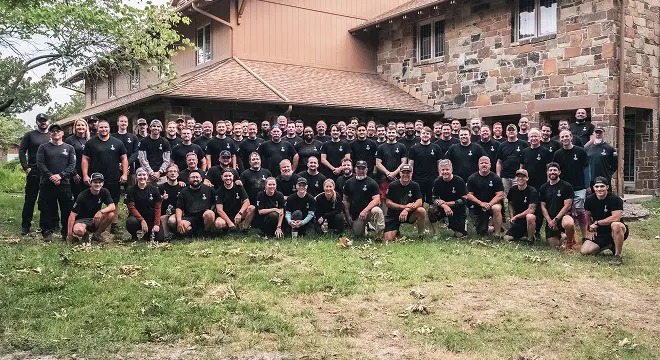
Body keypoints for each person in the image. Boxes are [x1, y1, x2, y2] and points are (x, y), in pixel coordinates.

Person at [82, 120, 128, 234]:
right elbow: (85, 159)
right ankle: (93, 224)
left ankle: (114, 225)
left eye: (106, 127)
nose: (103, 129)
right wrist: (85, 175)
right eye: (101, 127)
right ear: (97, 129)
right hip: (96, 178)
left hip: (113, 177)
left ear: (109, 129)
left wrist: (125, 174)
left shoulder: (117, 143)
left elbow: (124, 158)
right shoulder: (91, 143)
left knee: (114, 201)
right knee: (94, 200)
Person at [36, 123, 76, 240]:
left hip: (64, 184)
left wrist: (60, 176)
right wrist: (51, 176)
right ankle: (47, 231)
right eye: (53, 131)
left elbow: (72, 165)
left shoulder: (69, 148)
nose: (55, 133)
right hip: (46, 183)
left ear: (62, 133)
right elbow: (40, 164)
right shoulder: (43, 147)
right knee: (46, 208)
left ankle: (65, 232)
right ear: (49, 134)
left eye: (58, 131)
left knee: (66, 209)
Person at [553, 130, 590, 241]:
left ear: (571, 137)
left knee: (579, 212)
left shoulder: (581, 151)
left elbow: (587, 169)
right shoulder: (557, 154)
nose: (564, 138)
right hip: (563, 188)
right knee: (566, 212)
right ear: (560, 139)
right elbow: (555, 171)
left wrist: (587, 185)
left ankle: (584, 236)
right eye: (562, 137)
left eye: (566, 136)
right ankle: (570, 236)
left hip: (579, 186)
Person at [581, 177, 628, 263]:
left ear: (607, 187)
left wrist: (597, 223)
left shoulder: (615, 199)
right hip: (600, 231)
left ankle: (617, 256)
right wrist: (589, 230)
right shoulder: (589, 199)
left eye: (602, 186)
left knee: (616, 225)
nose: (599, 189)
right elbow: (587, 215)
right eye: (597, 186)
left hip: (615, 230)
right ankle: (608, 245)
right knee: (584, 251)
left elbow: (616, 218)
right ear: (593, 188)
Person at [19, 113, 51, 235]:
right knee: (30, 200)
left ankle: (46, 227)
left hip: (48, 173)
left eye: (45, 120)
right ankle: (25, 226)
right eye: (40, 120)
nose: (43, 122)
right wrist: (26, 168)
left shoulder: (51, 135)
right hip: (34, 172)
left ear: (49, 121)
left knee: (46, 201)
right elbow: (22, 151)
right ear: (37, 122)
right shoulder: (30, 135)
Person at [66, 173, 115, 243]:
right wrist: (69, 234)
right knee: (79, 231)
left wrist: (101, 211)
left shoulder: (104, 191)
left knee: (111, 214)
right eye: (95, 182)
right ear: (90, 183)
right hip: (82, 220)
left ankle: (96, 236)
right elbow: (72, 215)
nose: (97, 184)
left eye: (100, 182)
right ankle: (85, 234)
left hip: (95, 219)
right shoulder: (82, 195)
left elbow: (112, 206)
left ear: (103, 183)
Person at [539, 162, 577, 251]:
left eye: (555, 170)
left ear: (559, 172)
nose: (553, 172)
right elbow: (542, 206)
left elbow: (567, 206)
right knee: (554, 247)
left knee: (569, 224)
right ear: (547, 172)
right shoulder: (543, 187)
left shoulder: (566, 186)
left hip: (563, 217)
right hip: (551, 220)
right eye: (550, 170)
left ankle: (569, 243)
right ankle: (564, 236)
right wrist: (549, 221)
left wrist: (556, 219)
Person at [383, 164, 426, 241]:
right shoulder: (392, 185)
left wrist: (406, 210)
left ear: (411, 174)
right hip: (393, 214)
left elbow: (419, 202)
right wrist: (404, 207)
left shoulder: (415, 185)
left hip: (409, 214)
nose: (406, 175)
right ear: (400, 173)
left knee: (421, 210)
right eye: (403, 172)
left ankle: (421, 235)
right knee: (388, 239)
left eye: (408, 173)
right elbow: (388, 203)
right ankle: (396, 231)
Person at [343, 160, 384, 237]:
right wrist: (348, 215)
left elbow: (376, 199)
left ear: (366, 170)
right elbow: (345, 200)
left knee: (378, 211)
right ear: (355, 169)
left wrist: (365, 211)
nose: (361, 171)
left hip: (369, 211)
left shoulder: (372, 183)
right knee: (358, 235)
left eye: (363, 169)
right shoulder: (348, 183)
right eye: (359, 168)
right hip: (357, 215)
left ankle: (379, 236)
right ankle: (366, 227)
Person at [465, 156, 504, 237]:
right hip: (477, 206)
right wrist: (481, 203)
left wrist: (490, 204)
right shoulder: (472, 178)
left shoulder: (496, 178)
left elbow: (500, 195)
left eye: (486, 163)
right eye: (481, 163)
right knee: (481, 232)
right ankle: (493, 227)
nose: (484, 165)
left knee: (497, 208)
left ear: (490, 165)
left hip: (491, 205)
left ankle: (497, 234)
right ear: (478, 165)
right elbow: (469, 195)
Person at [428, 160, 468, 237]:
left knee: (460, 235)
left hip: (457, 208)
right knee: (432, 209)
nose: (445, 172)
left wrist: (447, 204)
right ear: (440, 170)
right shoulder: (437, 181)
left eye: (447, 169)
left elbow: (464, 200)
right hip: (443, 208)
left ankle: (461, 224)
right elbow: (434, 199)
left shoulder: (459, 181)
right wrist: (444, 206)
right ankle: (436, 234)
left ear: (451, 169)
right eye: (443, 170)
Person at [125, 168, 164, 241]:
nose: (142, 177)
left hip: (151, 218)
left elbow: (158, 207)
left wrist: (156, 224)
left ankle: (146, 235)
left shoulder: (154, 189)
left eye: (144, 175)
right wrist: (142, 220)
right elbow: (131, 207)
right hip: (137, 218)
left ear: (147, 176)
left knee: (159, 239)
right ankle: (134, 236)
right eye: (139, 175)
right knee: (131, 222)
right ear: (136, 177)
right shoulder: (130, 190)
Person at [408, 126, 443, 206]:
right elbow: (411, 165)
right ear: (420, 135)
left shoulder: (436, 147)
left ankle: (433, 218)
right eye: (423, 133)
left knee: (433, 201)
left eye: (427, 133)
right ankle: (421, 217)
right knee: (419, 201)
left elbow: (440, 164)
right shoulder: (414, 148)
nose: (425, 135)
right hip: (418, 179)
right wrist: (410, 179)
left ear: (431, 135)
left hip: (433, 179)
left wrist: (440, 177)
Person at [175, 170, 216, 235]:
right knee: (182, 228)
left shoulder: (209, 189)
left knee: (210, 214)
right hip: (189, 217)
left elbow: (215, 203)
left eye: (197, 177)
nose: (195, 179)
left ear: (201, 179)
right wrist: (179, 221)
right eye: (193, 177)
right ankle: (195, 232)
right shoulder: (184, 192)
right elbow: (179, 208)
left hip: (204, 215)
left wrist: (210, 210)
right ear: (188, 179)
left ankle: (205, 232)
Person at [504, 169, 539, 243]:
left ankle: (531, 239)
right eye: (518, 176)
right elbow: (510, 203)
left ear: (527, 178)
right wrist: (511, 216)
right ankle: (524, 234)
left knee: (530, 216)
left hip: (530, 219)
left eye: (523, 176)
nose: (520, 178)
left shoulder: (532, 191)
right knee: (506, 238)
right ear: (515, 178)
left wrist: (516, 216)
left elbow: (531, 210)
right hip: (518, 220)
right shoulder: (513, 189)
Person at [375, 127, 408, 204]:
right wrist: (387, 173)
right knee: (384, 199)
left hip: (398, 177)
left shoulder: (402, 146)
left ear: (396, 134)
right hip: (384, 178)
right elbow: (378, 163)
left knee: (398, 198)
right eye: (389, 132)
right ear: (386, 134)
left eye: (393, 132)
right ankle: (384, 216)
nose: (391, 134)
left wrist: (394, 173)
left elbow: (404, 162)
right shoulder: (381, 147)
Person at [496, 124, 529, 195]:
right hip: (505, 177)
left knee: (519, 196)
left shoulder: (524, 144)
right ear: (506, 133)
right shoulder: (502, 145)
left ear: (516, 132)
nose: (511, 131)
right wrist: (498, 176)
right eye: (509, 130)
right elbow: (499, 162)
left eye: (513, 130)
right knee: (506, 198)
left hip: (519, 176)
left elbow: (527, 160)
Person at [138, 120, 171, 185]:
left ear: (161, 129)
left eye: (158, 126)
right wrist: (151, 172)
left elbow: (167, 160)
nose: (156, 128)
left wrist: (159, 172)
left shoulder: (165, 142)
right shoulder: (143, 141)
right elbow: (142, 159)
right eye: (154, 126)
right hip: (147, 175)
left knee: (162, 194)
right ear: (150, 128)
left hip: (162, 176)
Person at [520, 129, 553, 194]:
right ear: (528, 139)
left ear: (540, 137)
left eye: (536, 136)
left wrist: (548, 183)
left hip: (541, 183)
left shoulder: (545, 151)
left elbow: (549, 169)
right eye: (531, 137)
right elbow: (521, 167)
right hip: (527, 183)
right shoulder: (524, 151)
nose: (533, 138)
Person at [65, 118, 90, 199]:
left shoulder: (89, 140)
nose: (80, 127)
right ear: (75, 127)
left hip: (88, 172)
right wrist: (74, 173)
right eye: (78, 125)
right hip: (76, 173)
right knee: (78, 196)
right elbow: (67, 158)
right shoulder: (70, 140)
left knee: (88, 196)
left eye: (83, 125)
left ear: (86, 127)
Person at [112, 115, 140, 185]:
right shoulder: (112, 137)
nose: (123, 123)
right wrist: (118, 164)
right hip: (115, 168)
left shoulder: (133, 137)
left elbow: (136, 152)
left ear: (127, 123)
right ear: (118, 123)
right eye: (121, 121)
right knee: (115, 191)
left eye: (125, 121)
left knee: (131, 191)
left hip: (130, 169)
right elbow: (110, 152)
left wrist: (127, 163)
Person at [159, 164, 184, 240]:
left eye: (174, 171)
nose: (173, 173)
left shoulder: (182, 187)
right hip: (164, 214)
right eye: (170, 171)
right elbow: (155, 204)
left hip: (179, 214)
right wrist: (162, 199)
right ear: (166, 174)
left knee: (172, 221)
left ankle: (177, 233)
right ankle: (167, 236)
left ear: (178, 174)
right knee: (161, 237)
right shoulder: (161, 187)